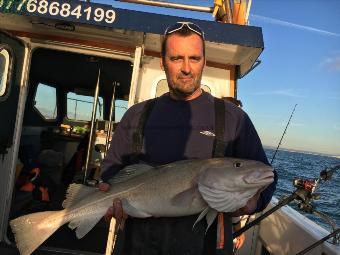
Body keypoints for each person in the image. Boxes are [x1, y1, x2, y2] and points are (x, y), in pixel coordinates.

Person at [99, 21, 277, 255]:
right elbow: (111, 171)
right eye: (176, 58)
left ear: (204, 61)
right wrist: (107, 197)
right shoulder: (137, 115)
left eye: (194, 58)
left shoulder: (233, 118)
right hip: (140, 244)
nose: (186, 68)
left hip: (206, 247)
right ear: (163, 63)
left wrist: (250, 203)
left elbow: (268, 176)